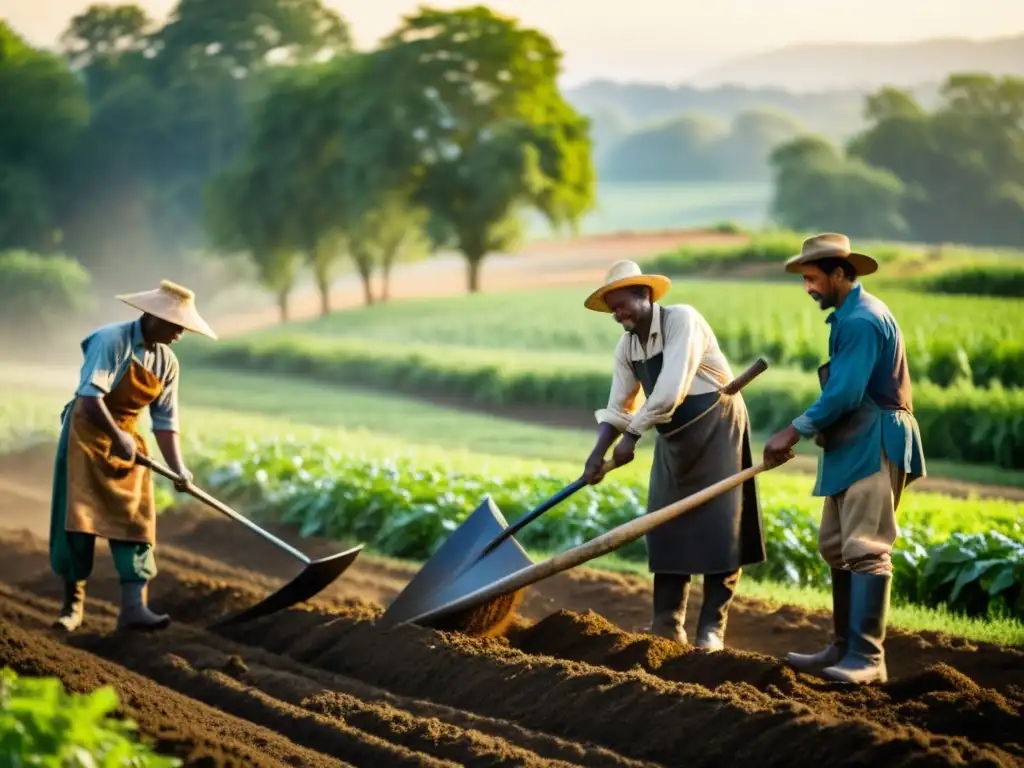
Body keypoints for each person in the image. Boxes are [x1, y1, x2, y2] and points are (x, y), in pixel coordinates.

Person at [763, 233, 925, 685]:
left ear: (839, 274)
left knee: (867, 548)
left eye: (813, 278)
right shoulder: (848, 317)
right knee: (836, 546)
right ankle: (841, 646)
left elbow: (845, 393)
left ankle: (868, 657)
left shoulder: (861, 320)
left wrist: (793, 429)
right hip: (851, 443)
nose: (808, 287)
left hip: (875, 440)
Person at [581, 260, 766, 651]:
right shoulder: (628, 346)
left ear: (644, 295)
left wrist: (631, 437)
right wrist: (597, 454)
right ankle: (667, 624)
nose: (618, 315)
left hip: (718, 428)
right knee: (663, 524)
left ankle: (711, 630)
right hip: (673, 438)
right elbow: (619, 405)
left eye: (623, 306)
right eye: (612, 309)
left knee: (721, 525)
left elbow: (670, 390)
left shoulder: (683, 320)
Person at [50, 279, 217, 633]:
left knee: (137, 521)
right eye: (177, 326)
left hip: (128, 440)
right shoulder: (111, 340)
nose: (180, 335)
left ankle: (133, 609)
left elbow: (165, 420)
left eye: (184, 328)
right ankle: (72, 606)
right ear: (153, 317)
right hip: (86, 434)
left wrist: (179, 469)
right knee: (77, 521)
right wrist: (117, 437)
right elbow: (89, 399)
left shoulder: (167, 362)